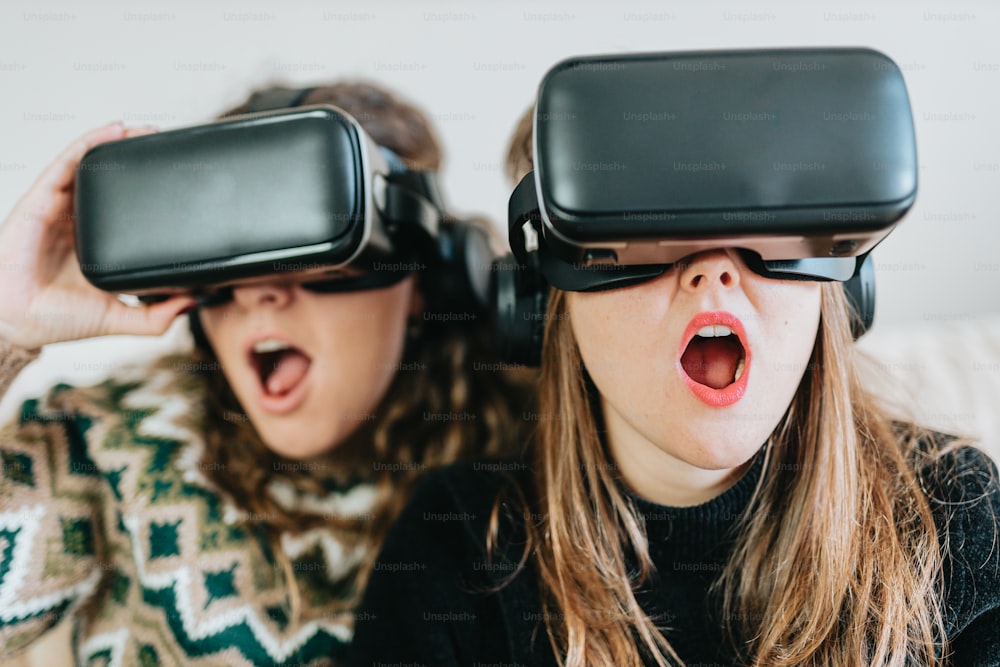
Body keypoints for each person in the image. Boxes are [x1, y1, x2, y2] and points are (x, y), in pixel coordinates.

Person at [348, 105, 1000, 666]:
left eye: (761, 216)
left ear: (840, 285)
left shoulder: (956, 517)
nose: (712, 267)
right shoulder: (459, 549)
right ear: (545, 302)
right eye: (637, 225)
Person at [0, 82, 532, 666]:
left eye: (317, 249)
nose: (260, 292)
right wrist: (6, 326)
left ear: (425, 277)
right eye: (229, 256)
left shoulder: (533, 458)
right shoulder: (103, 445)